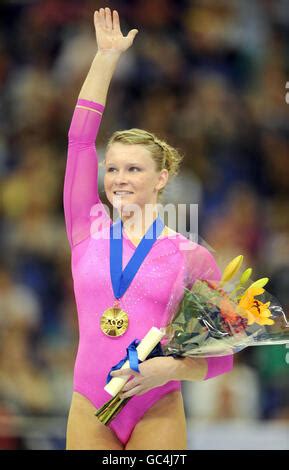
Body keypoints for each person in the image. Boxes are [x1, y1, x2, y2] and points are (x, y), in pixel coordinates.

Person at [63, 7, 233, 450]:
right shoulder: (86, 228)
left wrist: (170, 369)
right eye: (112, 168)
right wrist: (106, 58)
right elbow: (80, 140)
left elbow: (223, 357)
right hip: (88, 404)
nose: (118, 178)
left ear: (161, 178)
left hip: (156, 406)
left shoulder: (191, 255)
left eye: (134, 169)